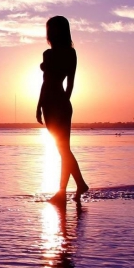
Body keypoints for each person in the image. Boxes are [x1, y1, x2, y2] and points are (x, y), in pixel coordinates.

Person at [36, 16, 89, 203]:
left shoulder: (70, 53)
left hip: (61, 104)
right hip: (48, 105)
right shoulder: (47, 54)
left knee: (63, 149)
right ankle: (72, 187)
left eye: (53, 28)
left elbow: (71, 83)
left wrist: (63, 103)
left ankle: (70, 188)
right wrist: (38, 106)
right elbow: (45, 83)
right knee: (62, 149)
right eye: (49, 29)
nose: (50, 32)